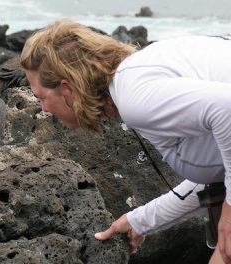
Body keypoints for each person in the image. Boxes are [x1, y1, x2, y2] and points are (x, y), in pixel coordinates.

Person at [19, 19, 231, 263]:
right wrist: (139, 221)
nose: (43, 109)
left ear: (67, 88)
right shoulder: (136, 79)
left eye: (41, 97)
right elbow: (216, 176)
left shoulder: (135, 97)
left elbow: (227, 109)